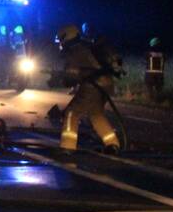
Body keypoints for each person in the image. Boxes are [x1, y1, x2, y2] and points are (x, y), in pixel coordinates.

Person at [48, 24, 121, 155]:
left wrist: (57, 80)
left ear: (66, 37)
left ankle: (67, 147)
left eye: (60, 41)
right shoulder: (86, 46)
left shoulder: (75, 50)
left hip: (93, 84)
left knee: (72, 113)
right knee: (96, 114)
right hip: (106, 83)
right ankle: (113, 144)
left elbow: (71, 76)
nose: (60, 44)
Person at [145, 37, 166, 102]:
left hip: (150, 73)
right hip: (160, 73)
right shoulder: (163, 54)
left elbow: (146, 59)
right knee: (159, 88)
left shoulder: (148, 53)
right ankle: (159, 101)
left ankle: (151, 100)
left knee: (149, 86)